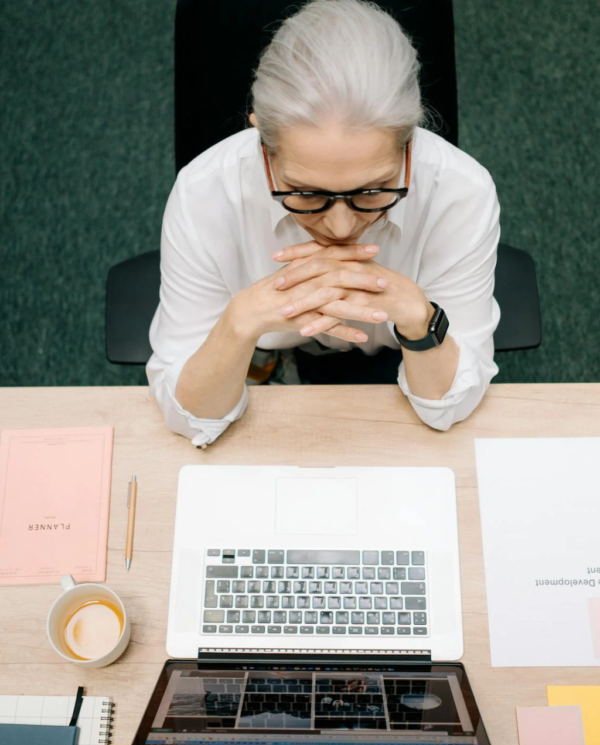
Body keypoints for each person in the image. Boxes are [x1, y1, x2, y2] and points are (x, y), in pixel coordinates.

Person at [147, 0, 500, 448]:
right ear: (262, 144)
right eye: (306, 193)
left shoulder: (460, 191)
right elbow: (188, 416)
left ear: (411, 146)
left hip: (393, 369)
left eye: (372, 191)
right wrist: (238, 325)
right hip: (259, 367)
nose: (339, 226)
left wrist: (419, 319)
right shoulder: (204, 192)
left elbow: (448, 406)